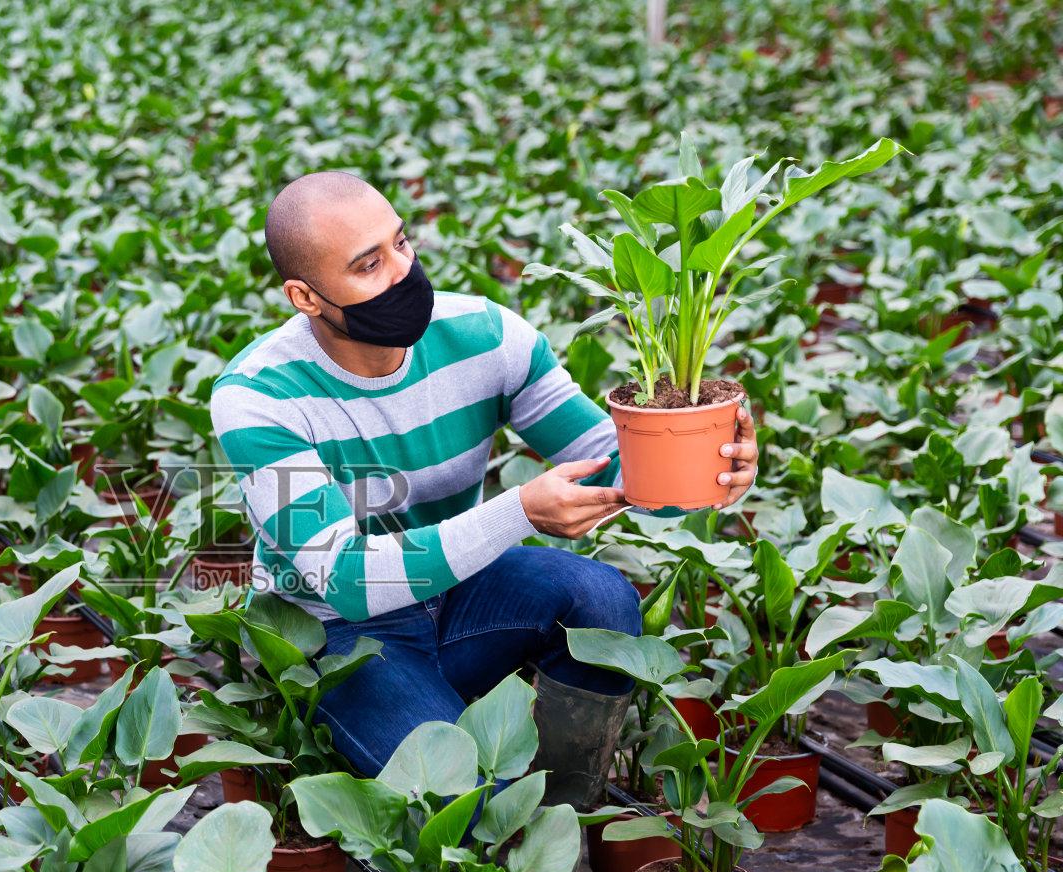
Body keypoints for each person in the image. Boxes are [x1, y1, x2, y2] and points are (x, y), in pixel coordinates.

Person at [209, 171, 757, 810]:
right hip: (335, 634)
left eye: (401, 244)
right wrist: (521, 511)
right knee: (464, 804)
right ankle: (419, 751)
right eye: (368, 266)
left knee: (601, 599)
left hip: (457, 593)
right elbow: (345, 581)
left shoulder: (485, 337)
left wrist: (709, 462)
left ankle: (562, 807)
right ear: (306, 297)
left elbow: (606, 461)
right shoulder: (258, 397)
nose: (402, 273)